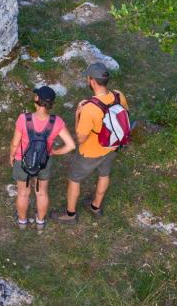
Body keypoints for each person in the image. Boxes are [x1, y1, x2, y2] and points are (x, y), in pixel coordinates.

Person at [54, 62, 128, 223]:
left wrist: (77, 115)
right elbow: (125, 114)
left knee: (74, 179)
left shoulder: (89, 108)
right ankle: (96, 206)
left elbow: (80, 138)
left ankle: (70, 214)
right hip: (112, 147)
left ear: (92, 81)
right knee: (104, 174)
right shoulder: (118, 95)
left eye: (88, 78)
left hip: (90, 152)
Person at [10, 85, 75, 232]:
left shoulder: (23, 119)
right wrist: (53, 152)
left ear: (36, 99)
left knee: (23, 193)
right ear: (51, 104)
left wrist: (12, 155)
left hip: (23, 161)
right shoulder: (57, 122)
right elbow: (71, 145)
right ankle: (40, 222)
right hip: (44, 162)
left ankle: (22, 222)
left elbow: (15, 143)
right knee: (42, 193)